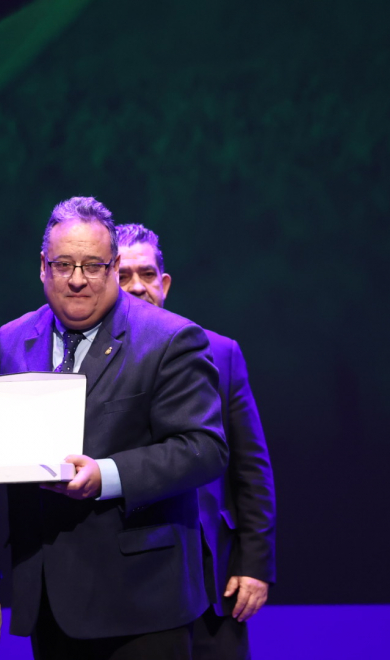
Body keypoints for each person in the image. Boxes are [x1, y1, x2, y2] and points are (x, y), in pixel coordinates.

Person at [0, 196, 228, 660]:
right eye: (64, 264)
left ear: (114, 266)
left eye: (93, 265)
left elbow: (204, 448)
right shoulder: (9, 340)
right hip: (48, 598)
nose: (78, 278)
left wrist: (108, 475)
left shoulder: (171, 338)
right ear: (42, 267)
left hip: (142, 604)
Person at [116, 223, 276, 659]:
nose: (137, 287)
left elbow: (251, 469)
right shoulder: (91, 362)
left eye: (146, 274)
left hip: (213, 576)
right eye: (123, 275)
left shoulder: (219, 351)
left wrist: (255, 565)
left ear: (164, 283)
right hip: (131, 573)